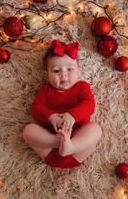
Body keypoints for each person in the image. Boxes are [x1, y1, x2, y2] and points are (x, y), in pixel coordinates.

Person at [23, 40, 102, 168]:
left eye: (70, 69)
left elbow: (89, 104)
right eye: (55, 71)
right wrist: (51, 117)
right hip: (49, 147)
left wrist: (72, 115)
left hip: (77, 148)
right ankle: (59, 142)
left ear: (78, 71)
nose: (63, 74)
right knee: (28, 131)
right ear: (47, 74)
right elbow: (36, 109)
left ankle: (70, 146)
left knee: (96, 130)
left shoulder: (82, 87)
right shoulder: (45, 91)